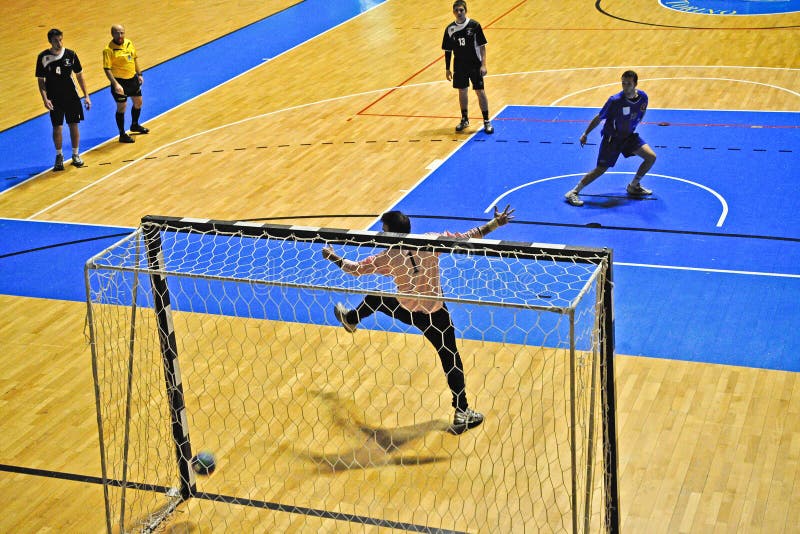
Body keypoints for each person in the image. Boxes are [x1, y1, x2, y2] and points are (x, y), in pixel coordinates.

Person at [321, 205, 515, 434]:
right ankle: (462, 411)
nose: (381, 234)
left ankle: (352, 319)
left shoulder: (388, 257)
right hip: (437, 317)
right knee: (450, 358)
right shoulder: (430, 242)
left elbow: (356, 270)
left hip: (409, 312)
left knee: (376, 298)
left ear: (392, 233)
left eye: (383, 230)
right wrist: (495, 224)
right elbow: (466, 237)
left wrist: (333, 257)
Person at [565, 70, 657, 207]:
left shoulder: (643, 97)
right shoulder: (615, 101)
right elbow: (599, 117)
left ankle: (634, 186)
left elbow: (641, 112)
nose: (625, 86)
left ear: (635, 84)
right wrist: (586, 133)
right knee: (601, 169)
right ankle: (573, 192)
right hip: (612, 139)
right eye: (623, 83)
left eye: (629, 84)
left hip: (628, 137)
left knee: (651, 157)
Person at [36, 29, 91, 171]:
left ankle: (75, 154)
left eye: (61, 39)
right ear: (50, 41)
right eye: (56, 41)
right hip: (54, 99)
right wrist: (45, 99)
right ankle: (59, 156)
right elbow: (41, 81)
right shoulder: (43, 57)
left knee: (74, 125)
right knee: (57, 127)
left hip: (71, 97)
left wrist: (86, 96)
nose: (59, 43)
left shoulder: (71, 55)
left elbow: (79, 76)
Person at [442, 0, 493, 134]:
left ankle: (487, 121)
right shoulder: (450, 29)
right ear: (453, 12)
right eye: (456, 10)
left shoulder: (474, 25)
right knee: (462, 92)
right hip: (459, 65)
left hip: (474, 65)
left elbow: (482, 47)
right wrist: (447, 69)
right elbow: (447, 50)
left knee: (480, 92)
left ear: (465, 11)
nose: (459, 13)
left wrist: (483, 64)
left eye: (461, 10)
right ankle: (465, 119)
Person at [103, 24, 149, 143]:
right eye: (117, 33)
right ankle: (122, 134)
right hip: (119, 82)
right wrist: (115, 84)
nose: (120, 35)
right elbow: (107, 69)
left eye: (122, 32)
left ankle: (134, 125)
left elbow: (134, 58)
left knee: (138, 102)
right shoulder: (108, 50)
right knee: (122, 107)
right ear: (112, 34)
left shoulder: (128, 43)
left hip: (132, 79)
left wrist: (139, 74)